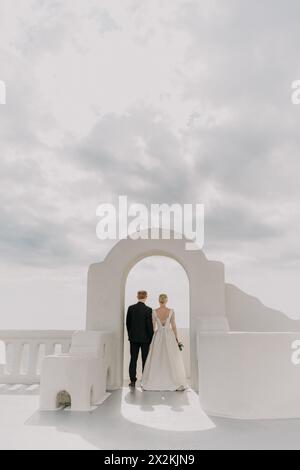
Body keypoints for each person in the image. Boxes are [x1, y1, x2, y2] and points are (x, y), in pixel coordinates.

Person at [141, 294, 187, 391]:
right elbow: (173, 326)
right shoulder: (171, 311)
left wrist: (152, 339)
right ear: (166, 301)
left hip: (158, 336)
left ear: (159, 301)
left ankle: (154, 380)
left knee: (157, 357)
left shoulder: (154, 311)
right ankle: (172, 380)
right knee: (170, 357)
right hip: (169, 336)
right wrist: (176, 338)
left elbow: (153, 326)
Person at [126, 290, 154, 388]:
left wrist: (130, 334)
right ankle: (144, 380)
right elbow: (149, 326)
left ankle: (132, 380)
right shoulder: (148, 310)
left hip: (133, 338)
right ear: (146, 297)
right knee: (145, 359)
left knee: (133, 359)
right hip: (145, 339)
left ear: (137, 296)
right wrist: (151, 338)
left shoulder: (131, 308)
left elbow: (128, 324)